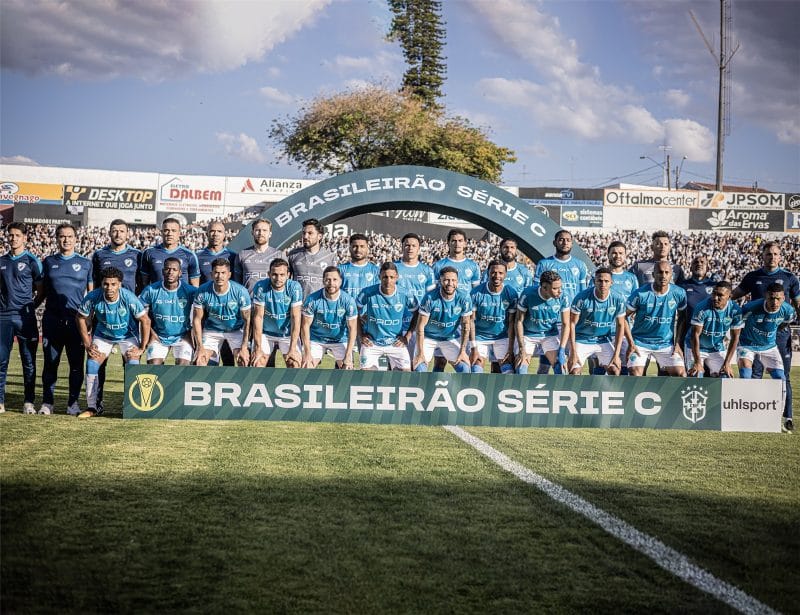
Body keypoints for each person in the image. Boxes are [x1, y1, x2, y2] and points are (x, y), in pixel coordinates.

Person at [732, 240, 800, 429]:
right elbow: (735, 295)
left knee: (783, 376)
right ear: (762, 256)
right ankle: (753, 415)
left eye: (775, 254)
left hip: (779, 335)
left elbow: (796, 306)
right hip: (754, 333)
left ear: (780, 256)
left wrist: (782, 327)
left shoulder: (789, 278)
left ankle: (787, 418)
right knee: (754, 374)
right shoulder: (753, 276)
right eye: (768, 254)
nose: (772, 257)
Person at [76, 267, 151, 418]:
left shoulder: (129, 297)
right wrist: (87, 343)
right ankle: (92, 407)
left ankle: (131, 406)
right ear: (101, 284)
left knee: (133, 364)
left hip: (127, 336)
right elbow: (80, 317)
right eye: (106, 284)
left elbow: (145, 320)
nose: (109, 288)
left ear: (120, 285)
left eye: (113, 284)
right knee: (92, 362)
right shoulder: (93, 297)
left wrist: (142, 347)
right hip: (103, 336)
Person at [38, 223, 93, 415]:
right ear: (56, 239)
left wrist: (90, 321)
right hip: (52, 321)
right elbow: (41, 293)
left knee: (76, 365)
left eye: (70, 236)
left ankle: (72, 404)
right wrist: (28, 309)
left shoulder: (86, 263)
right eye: (62, 236)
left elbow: (91, 296)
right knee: (50, 363)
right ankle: (47, 403)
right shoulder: (48, 262)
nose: (66, 240)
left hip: (76, 323)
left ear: (76, 239)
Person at [91, 218, 141, 414]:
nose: (118, 234)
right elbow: (94, 284)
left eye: (122, 231)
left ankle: (130, 404)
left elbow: (142, 283)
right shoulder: (99, 255)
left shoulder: (137, 255)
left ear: (127, 233)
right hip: (104, 315)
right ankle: (97, 403)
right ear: (109, 232)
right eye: (115, 230)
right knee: (98, 360)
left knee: (129, 359)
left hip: (129, 317)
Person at [738, 283, 796, 432]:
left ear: (784, 298)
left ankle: (778, 419)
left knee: (781, 380)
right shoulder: (751, 308)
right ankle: (744, 414)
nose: (775, 302)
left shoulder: (788, 311)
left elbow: (785, 323)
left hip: (769, 347)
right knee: (746, 374)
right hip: (748, 345)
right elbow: (737, 323)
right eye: (771, 298)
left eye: (778, 299)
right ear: (766, 296)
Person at [533, 229, 592, 373]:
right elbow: (537, 292)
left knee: (571, 362)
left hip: (571, 320)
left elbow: (583, 295)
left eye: (568, 239)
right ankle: (540, 391)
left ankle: (566, 390)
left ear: (572, 243)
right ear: (555, 242)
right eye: (561, 239)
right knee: (545, 363)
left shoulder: (580, 265)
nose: (564, 242)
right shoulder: (544, 264)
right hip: (550, 319)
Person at [0, 222, 43, 414]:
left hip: (25, 319)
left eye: (17, 235)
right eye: (11, 235)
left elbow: (41, 290)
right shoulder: (1, 261)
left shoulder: (32, 261)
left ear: (25, 237)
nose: (13, 238)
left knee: (28, 361)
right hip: (3, 318)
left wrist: (29, 308)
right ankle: (0, 402)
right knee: (1, 361)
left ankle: (28, 402)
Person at [626, 261, 687, 377]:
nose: (663, 275)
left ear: (671, 275)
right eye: (659, 272)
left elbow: (683, 317)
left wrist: (678, 343)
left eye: (666, 272)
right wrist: (631, 342)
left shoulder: (679, 293)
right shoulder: (640, 294)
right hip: (640, 342)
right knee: (635, 374)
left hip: (665, 344)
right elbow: (623, 317)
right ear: (653, 275)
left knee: (681, 374)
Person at [357, 262, 418, 371]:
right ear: (379, 276)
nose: (388, 281)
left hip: (395, 343)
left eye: (391, 277)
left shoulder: (405, 294)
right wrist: (361, 335)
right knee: (365, 377)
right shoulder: (367, 292)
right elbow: (354, 312)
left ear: (397, 277)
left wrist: (407, 336)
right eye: (385, 277)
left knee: (406, 377)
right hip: (372, 343)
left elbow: (417, 313)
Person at [192, 258, 252, 367]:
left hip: (236, 330)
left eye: (223, 273)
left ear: (229, 274)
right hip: (212, 330)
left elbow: (247, 320)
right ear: (211, 274)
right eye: (216, 273)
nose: (220, 276)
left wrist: (244, 347)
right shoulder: (202, 291)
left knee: (244, 360)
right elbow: (196, 319)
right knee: (200, 361)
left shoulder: (241, 291)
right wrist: (200, 347)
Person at [138, 257, 197, 365]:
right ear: (162, 271)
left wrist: (191, 333)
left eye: (174, 270)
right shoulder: (151, 290)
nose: (170, 272)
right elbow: (141, 316)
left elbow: (200, 315)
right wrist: (151, 334)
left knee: (183, 366)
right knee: (154, 365)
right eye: (167, 269)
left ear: (180, 273)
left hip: (182, 336)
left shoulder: (190, 291)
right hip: (158, 336)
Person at [414, 266, 473, 373]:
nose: (450, 283)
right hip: (428, 338)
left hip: (449, 338)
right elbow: (420, 326)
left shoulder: (464, 298)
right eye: (446, 280)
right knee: (419, 368)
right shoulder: (430, 297)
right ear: (440, 281)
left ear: (457, 281)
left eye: (453, 280)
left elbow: (466, 325)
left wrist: (463, 351)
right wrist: (420, 353)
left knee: (465, 368)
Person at [568, 268, 627, 375]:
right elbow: (571, 324)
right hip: (581, 338)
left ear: (611, 283)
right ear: (594, 281)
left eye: (606, 281)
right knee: (574, 371)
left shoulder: (618, 299)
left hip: (602, 339)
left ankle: (607, 392)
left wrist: (616, 354)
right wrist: (572, 351)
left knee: (615, 369)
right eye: (599, 281)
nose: (603, 284)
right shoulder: (582, 298)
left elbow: (620, 325)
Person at [300, 266, 358, 369]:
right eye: (328, 280)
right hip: (317, 339)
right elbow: (305, 326)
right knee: (306, 366)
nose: (331, 283)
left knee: (348, 369)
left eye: (335, 280)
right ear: (323, 281)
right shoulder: (312, 299)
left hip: (339, 340)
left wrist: (348, 355)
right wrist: (307, 352)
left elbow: (352, 329)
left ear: (340, 281)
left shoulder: (348, 301)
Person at [250, 258, 303, 368]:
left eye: (282, 275)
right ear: (269, 274)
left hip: (287, 334)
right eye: (274, 274)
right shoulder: (261, 287)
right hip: (266, 333)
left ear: (288, 275)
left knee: (294, 363)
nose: (278, 278)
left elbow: (295, 318)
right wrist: (258, 348)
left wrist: (292, 348)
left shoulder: (294, 287)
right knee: (257, 362)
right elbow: (258, 317)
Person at [515, 270, 570, 375]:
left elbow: (566, 324)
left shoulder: (564, 296)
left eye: (560, 287)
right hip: (528, 335)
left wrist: (562, 350)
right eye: (555, 288)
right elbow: (519, 321)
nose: (560, 291)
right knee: (520, 368)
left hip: (549, 335)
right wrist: (522, 348)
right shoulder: (528, 294)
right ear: (544, 287)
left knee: (562, 369)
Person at [685, 281, 742, 378]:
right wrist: (698, 362)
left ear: (729, 296)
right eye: (714, 293)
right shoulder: (701, 307)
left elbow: (735, 337)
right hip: (695, 347)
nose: (715, 298)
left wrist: (727, 363)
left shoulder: (735, 310)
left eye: (720, 295)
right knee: (696, 374)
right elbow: (695, 335)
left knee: (726, 376)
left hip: (716, 348)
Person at [469, 260, 517, 373]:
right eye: (493, 272)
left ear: (505, 274)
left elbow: (511, 323)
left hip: (501, 336)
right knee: (476, 368)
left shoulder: (511, 293)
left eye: (500, 273)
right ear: (488, 273)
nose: (497, 276)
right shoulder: (476, 293)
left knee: (508, 370)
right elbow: (471, 321)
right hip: (480, 337)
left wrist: (510, 349)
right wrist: (474, 347)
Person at [139, 217, 200, 288]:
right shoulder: (149, 253)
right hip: (157, 298)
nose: (169, 233)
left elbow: (195, 287)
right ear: (161, 232)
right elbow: (144, 284)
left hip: (181, 298)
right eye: (166, 230)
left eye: (173, 230)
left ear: (179, 233)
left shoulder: (189, 255)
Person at [288, 218, 335, 297]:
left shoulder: (330, 257)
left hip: (320, 305)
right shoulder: (293, 255)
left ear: (319, 236)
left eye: (310, 233)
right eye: (304, 233)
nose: (305, 236)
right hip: (298, 306)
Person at [234, 218, 283, 292]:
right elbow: (236, 284)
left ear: (270, 234)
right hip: (248, 302)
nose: (261, 233)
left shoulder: (279, 255)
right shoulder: (242, 255)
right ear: (252, 232)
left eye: (264, 230)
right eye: (257, 230)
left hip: (270, 302)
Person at [432, 229, 482, 294]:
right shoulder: (438, 266)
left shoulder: (474, 266)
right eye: (454, 241)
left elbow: (476, 292)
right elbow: (433, 291)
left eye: (460, 241)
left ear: (465, 243)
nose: (457, 243)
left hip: (465, 304)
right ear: (448, 243)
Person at [196, 221, 237, 285]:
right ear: (207, 234)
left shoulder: (233, 256)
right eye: (212, 231)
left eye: (219, 231)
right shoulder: (197, 256)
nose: (215, 234)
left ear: (224, 235)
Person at [339, 233, 379, 299]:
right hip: (345, 309)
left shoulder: (376, 271)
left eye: (362, 246)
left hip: (368, 309)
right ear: (350, 248)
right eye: (355, 246)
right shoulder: (340, 270)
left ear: (367, 248)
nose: (358, 250)